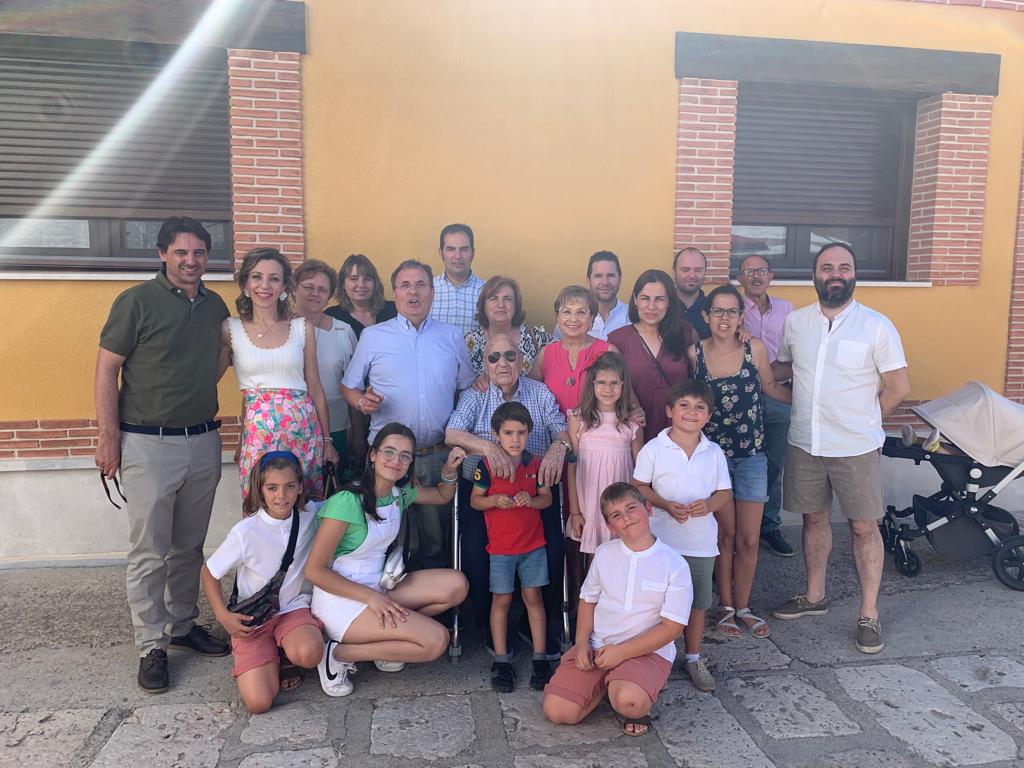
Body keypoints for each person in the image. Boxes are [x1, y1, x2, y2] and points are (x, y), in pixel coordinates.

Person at [95, 216, 230, 693]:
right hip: (147, 444)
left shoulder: (216, 305)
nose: (190, 261)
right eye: (181, 252)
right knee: (149, 550)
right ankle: (152, 643)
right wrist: (108, 437)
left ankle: (181, 624)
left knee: (188, 546)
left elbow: (218, 359)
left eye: (198, 253)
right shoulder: (136, 301)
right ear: (162, 254)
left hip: (203, 440)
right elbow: (107, 368)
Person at [770, 243, 910, 655]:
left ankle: (869, 613)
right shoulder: (796, 324)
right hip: (805, 442)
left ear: (854, 274)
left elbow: (899, 386)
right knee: (814, 521)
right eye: (826, 267)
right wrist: (749, 351)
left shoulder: (876, 326)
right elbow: (783, 369)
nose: (835, 273)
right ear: (814, 275)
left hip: (855, 447)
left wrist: (866, 420)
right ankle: (814, 597)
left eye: (843, 267)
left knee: (864, 527)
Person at [305, 423, 470, 697]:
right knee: (436, 642)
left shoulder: (398, 494)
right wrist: (371, 598)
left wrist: (450, 470)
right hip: (342, 601)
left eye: (405, 456)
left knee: (456, 584)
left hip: (380, 586)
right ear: (373, 455)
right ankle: (338, 653)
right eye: (389, 452)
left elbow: (443, 495)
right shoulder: (347, 501)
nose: (397, 461)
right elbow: (314, 571)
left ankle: (386, 640)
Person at [341, 259, 476, 569]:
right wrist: (362, 402)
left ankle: (435, 608)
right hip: (388, 459)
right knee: (384, 539)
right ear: (394, 292)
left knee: (435, 541)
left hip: (435, 457)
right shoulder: (374, 336)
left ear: (432, 291)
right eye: (405, 285)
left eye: (420, 285)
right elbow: (349, 387)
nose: (413, 292)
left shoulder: (451, 337)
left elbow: (467, 388)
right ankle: (386, 607)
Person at [446, 334, 570, 658]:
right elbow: (452, 433)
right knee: (475, 553)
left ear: (522, 360)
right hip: (485, 491)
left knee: (555, 553)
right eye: (493, 357)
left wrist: (559, 447)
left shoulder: (539, 392)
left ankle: (533, 627)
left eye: (510, 356)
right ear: (484, 363)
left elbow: (560, 428)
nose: (502, 363)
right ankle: (491, 626)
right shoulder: (476, 396)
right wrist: (489, 446)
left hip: (535, 488)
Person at [543, 483, 691, 738]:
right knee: (557, 712)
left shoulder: (674, 565)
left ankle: (632, 684)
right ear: (610, 526)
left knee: (629, 702)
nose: (626, 518)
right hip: (598, 646)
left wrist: (621, 653)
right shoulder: (604, 554)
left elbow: (672, 628)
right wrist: (580, 644)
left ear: (648, 509)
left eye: (631, 509)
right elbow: (588, 599)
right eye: (616, 516)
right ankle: (604, 682)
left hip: (645, 652)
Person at [689, 284, 791, 641]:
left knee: (748, 539)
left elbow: (772, 389)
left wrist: (809, 403)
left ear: (740, 317)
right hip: (712, 461)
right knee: (723, 537)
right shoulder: (694, 354)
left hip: (751, 458)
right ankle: (726, 606)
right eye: (718, 311)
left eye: (732, 312)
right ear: (706, 316)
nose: (725, 318)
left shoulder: (756, 348)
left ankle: (745, 606)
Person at [201, 451, 324, 713]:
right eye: (272, 488)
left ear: (300, 486)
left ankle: (284, 652)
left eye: (290, 486)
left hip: (292, 609)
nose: (282, 496)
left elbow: (349, 502)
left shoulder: (310, 515)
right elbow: (209, 573)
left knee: (310, 653)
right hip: (254, 619)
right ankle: (270, 655)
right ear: (260, 489)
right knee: (259, 703)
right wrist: (223, 615)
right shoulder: (246, 532)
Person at [632, 380, 732, 692]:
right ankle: (652, 654)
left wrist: (708, 506)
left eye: (699, 407)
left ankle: (692, 656)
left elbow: (724, 493)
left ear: (708, 416)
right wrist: (663, 504)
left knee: (698, 602)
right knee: (656, 600)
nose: (691, 412)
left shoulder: (713, 452)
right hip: (662, 542)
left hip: (701, 543)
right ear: (669, 411)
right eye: (684, 405)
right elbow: (639, 487)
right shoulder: (654, 448)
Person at [221, 248, 337, 499]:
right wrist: (241, 439)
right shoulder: (230, 329)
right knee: (259, 504)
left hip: (302, 431)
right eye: (257, 277)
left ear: (284, 286)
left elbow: (315, 387)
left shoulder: (301, 327)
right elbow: (221, 383)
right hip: (257, 435)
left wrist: (327, 442)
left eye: (274, 278)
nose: (265, 285)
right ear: (245, 283)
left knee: (303, 505)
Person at [471, 402, 554, 692]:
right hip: (501, 549)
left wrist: (531, 500)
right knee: (502, 600)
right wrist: (494, 501)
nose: (515, 439)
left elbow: (547, 499)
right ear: (496, 435)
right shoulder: (488, 466)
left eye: (521, 432)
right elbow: (475, 500)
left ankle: (541, 659)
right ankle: (502, 660)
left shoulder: (536, 463)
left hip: (533, 545)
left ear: (529, 433)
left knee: (533, 598)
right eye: (508, 433)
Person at [737, 254, 796, 558]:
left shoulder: (788, 311)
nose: (756, 276)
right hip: (741, 399)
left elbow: (799, 353)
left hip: (777, 396)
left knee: (774, 463)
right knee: (743, 460)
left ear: (771, 276)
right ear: (740, 278)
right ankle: (739, 529)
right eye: (749, 271)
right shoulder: (732, 309)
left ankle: (769, 526)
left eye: (761, 271)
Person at [566, 352, 643, 561]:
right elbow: (572, 467)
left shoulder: (631, 422)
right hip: (588, 503)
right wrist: (575, 512)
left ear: (623, 385)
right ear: (592, 384)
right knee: (594, 562)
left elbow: (641, 471)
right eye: (601, 382)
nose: (607, 389)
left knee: (621, 557)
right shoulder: (579, 418)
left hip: (621, 504)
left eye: (614, 383)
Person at [294, 259, 359, 484]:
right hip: (291, 425)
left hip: (335, 427)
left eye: (322, 289)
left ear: (330, 295)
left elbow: (354, 385)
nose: (315, 294)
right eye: (308, 287)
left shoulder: (343, 331)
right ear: (294, 289)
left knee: (328, 495)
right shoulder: (280, 328)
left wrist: (356, 435)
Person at [608, 270, 692, 442]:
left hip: (679, 431)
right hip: (635, 431)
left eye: (660, 299)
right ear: (635, 300)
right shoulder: (617, 339)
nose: (651, 306)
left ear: (670, 302)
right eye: (645, 298)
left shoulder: (685, 333)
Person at [531, 285, 617, 414]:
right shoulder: (545, 355)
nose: (573, 319)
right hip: (552, 433)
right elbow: (530, 395)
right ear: (557, 317)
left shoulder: (608, 351)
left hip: (596, 431)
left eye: (581, 312)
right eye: (566, 312)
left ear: (592, 318)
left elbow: (626, 398)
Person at [464, 275, 550, 377]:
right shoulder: (469, 342)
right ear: (483, 305)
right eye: (493, 298)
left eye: (507, 299)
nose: (501, 305)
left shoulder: (538, 337)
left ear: (516, 305)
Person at [553, 252, 630, 341]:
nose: (605, 282)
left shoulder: (632, 317)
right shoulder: (569, 321)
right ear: (588, 280)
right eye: (598, 276)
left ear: (620, 279)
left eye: (610, 276)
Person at [431, 223, 485, 336]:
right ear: (441, 253)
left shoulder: (487, 291)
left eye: (464, 249)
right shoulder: (427, 290)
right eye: (450, 249)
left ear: (473, 253)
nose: (458, 256)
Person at [326, 253, 398, 339]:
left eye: (367, 279)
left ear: (375, 284)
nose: (361, 285)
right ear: (343, 285)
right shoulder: (332, 317)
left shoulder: (394, 311)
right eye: (354, 279)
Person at [672, 246, 710, 339]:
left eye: (698, 270)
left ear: (705, 272)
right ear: (674, 272)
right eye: (685, 270)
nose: (692, 275)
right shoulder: (662, 306)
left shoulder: (713, 309)